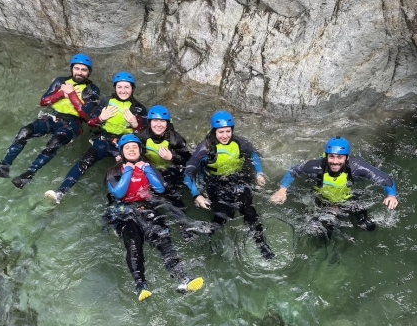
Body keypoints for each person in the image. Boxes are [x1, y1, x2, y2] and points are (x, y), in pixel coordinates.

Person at [106, 134, 204, 301]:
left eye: (135, 147)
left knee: (163, 241)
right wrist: (129, 169)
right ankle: (140, 285)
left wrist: (147, 169)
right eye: (127, 148)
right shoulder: (114, 171)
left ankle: (183, 279)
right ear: (121, 152)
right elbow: (119, 192)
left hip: (147, 208)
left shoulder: (148, 166)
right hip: (124, 211)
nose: (131, 150)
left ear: (140, 150)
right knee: (134, 244)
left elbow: (159, 189)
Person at [0, 54, 100, 188]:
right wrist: (61, 93)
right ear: (72, 69)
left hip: (72, 123)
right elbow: (44, 101)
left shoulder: (93, 90)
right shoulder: (60, 82)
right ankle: (3, 167)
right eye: (77, 68)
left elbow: (85, 113)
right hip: (52, 117)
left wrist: (72, 94)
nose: (79, 72)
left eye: (83, 70)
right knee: (25, 132)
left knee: (54, 143)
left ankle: (28, 175)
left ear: (89, 72)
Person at [44, 72, 147, 204]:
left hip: (126, 145)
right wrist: (101, 118)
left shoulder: (139, 109)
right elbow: (91, 122)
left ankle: (128, 203)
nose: (123, 90)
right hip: (105, 141)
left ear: (132, 89)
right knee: (84, 162)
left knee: (129, 172)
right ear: (115, 88)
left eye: (127, 87)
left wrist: (135, 124)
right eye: (120, 87)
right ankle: (60, 192)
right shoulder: (106, 101)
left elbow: (144, 134)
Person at [184, 111, 275, 259]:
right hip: (214, 180)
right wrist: (197, 195)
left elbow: (254, 154)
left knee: (248, 210)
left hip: (237, 177)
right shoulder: (205, 149)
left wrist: (259, 173)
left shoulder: (239, 142)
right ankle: (206, 240)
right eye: (221, 132)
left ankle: (262, 245)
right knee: (224, 213)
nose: (225, 135)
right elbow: (188, 173)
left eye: (228, 131)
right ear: (214, 132)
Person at [270, 137, 398, 232]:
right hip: (322, 198)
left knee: (368, 226)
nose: (335, 162)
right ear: (326, 156)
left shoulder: (358, 167)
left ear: (346, 158)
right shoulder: (314, 166)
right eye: (331, 157)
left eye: (339, 157)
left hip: (348, 197)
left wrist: (391, 195)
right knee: (322, 232)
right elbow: (294, 170)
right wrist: (282, 189)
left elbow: (385, 179)